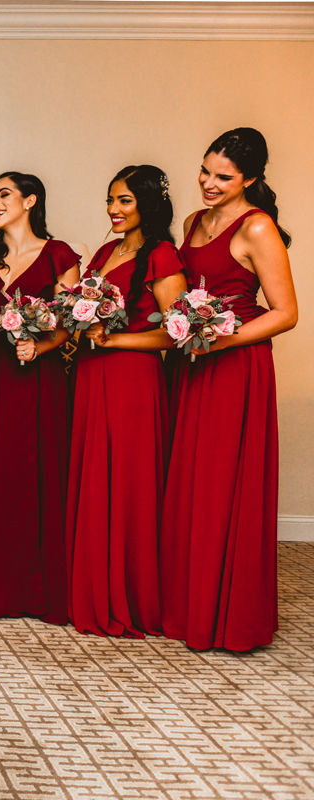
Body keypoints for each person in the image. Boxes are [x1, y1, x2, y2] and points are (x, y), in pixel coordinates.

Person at [161, 128, 298, 651]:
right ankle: (189, 604)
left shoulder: (258, 227)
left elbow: (286, 313)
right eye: (205, 170)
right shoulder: (193, 222)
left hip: (235, 367)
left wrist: (219, 340)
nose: (208, 183)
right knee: (189, 480)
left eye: (223, 176)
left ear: (251, 179)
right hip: (192, 363)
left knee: (221, 482)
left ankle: (227, 616)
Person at [66, 165, 186, 639]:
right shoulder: (105, 253)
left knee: (128, 481)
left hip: (132, 379)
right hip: (92, 374)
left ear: (148, 204)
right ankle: (93, 585)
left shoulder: (162, 255)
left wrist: (117, 340)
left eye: (124, 201)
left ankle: (129, 595)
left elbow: (177, 334)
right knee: (95, 475)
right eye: (110, 200)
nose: (113, 209)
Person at [0, 171, 80, 625]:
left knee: (35, 473)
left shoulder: (58, 255)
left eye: (5, 194)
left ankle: (36, 587)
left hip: (36, 377)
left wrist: (41, 346)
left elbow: (70, 323)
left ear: (31, 201)